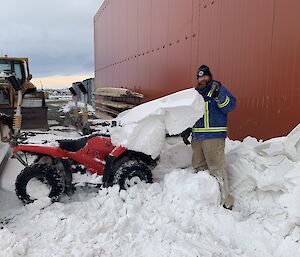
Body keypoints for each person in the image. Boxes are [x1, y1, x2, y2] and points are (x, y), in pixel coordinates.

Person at [181, 65, 236, 209]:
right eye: (199, 77)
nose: (202, 79)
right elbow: (190, 113)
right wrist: (187, 129)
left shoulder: (217, 89)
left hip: (214, 136)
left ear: (209, 76)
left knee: (217, 168)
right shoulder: (195, 94)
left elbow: (230, 106)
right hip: (197, 137)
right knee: (199, 167)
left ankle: (226, 201)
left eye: (204, 76)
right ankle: (206, 200)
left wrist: (219, 96)